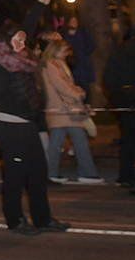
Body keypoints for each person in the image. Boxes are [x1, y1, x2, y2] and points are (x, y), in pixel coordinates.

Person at [0, 0, 69, 235]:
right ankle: (15, 219)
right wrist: (26, 106)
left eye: (23, 39)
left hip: (26, 123)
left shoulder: (23, 61)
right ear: (5, 42)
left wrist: (40, 4)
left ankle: (43, 219)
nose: (21, 43)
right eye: (16, 40)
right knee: (16, 175)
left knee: (39, 172)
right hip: (9, 125)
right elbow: (0, 97)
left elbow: (26, 26)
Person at [41, 39, 101, 183]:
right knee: (77, 141)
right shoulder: (52, 65)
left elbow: (63, 85)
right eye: (64, 50)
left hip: (62, 109)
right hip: (64, 109)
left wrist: (75, 91)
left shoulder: (55, 64)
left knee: (58, 143)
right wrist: (78, 93)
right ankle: (86, 173)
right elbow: (62, 85)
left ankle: (52, 173)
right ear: (55, 50)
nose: (67, 53)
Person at [103, 27, 135, 188]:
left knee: (128, 139)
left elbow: (109, 78)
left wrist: (116, 98)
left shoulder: (119, 52)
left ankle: (125, 175)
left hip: (124, 100)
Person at [63, 15, 96, 102]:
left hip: (83, 66)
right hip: (71, 66)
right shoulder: (64, 34)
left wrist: (83, 53)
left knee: (85, 88)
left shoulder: (83, 33)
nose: (74, 23)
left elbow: (91, 46)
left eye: (75, 21)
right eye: (72, 21)